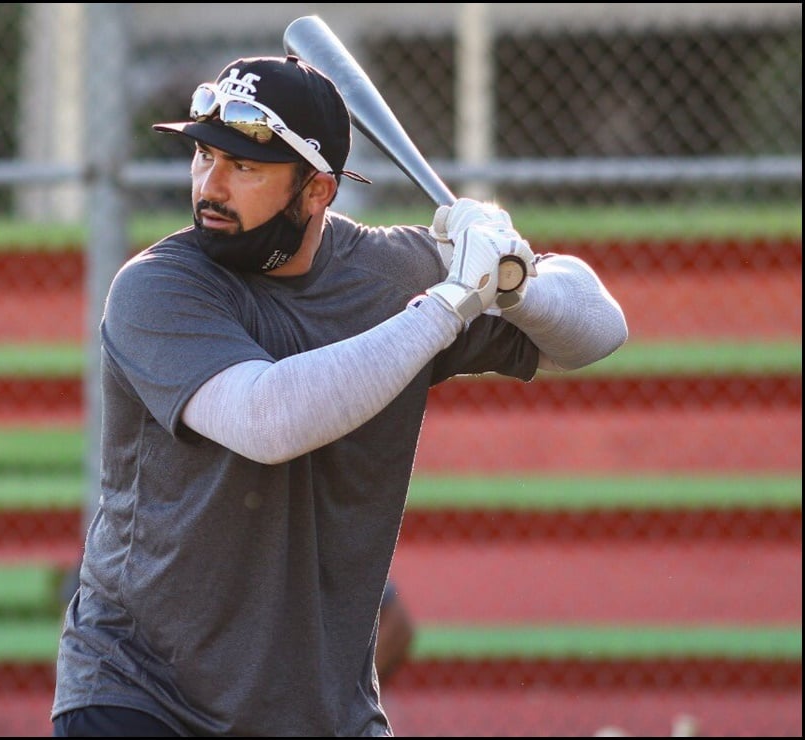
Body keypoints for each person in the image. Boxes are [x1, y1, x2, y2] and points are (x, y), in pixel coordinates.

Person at [52, 54, 627, 737]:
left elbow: (595, 331)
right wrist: (448, 304)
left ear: (316, 191)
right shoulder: (158, 287)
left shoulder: (388, 274)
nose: (210, 185)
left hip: (322, 713)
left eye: (244, 167)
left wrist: (510, 275)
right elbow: (266, 420)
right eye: (203, 156)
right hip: (144, 696)